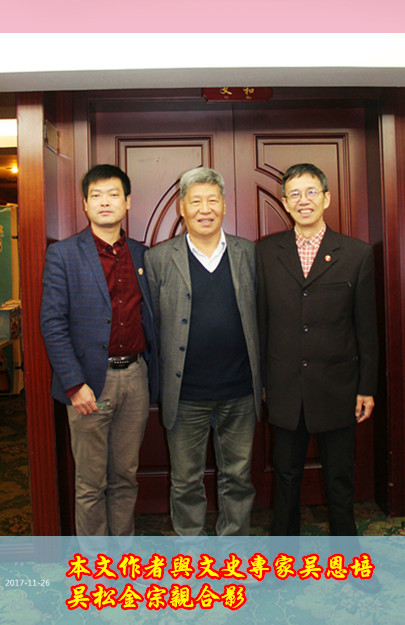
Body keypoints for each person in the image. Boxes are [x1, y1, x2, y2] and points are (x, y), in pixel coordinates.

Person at [256, 163, 378, 536]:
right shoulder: (265, 252)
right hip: (285, 386)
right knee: (286, 476)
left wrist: (366, 387)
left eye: (311, 192)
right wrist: (262, 382)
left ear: (326, 198)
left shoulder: (356, 254)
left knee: (339, 478)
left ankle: (347, 553)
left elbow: (366, 328)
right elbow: (260, 322)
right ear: (284, 202)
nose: (303, 200)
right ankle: (283, 553)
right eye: (294, 194)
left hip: (338, 387)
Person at [40, 164, 158, 536]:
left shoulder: (141, 254)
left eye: (113, 195)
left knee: (125, 475)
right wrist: (74, 384)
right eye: (96, 195)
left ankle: (123, 554)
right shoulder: (63, 254)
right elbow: (52, 323)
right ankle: (94, 564)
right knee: (91, 483)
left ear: (127, 202)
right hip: (89, 383)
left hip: (135, 378)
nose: (105, 202)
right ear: (85, 204)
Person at [144, 167, 261, 536]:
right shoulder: (158, 259)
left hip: (240, 391)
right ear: (182, 208)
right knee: (185, 481)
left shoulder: (248, 253)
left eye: (212, 200)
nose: (204, 209)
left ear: (224, 205)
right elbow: (153, 325)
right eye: (196, 201)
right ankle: (191, 553)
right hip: (186, 395)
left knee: (238, 477)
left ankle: (234, 549)